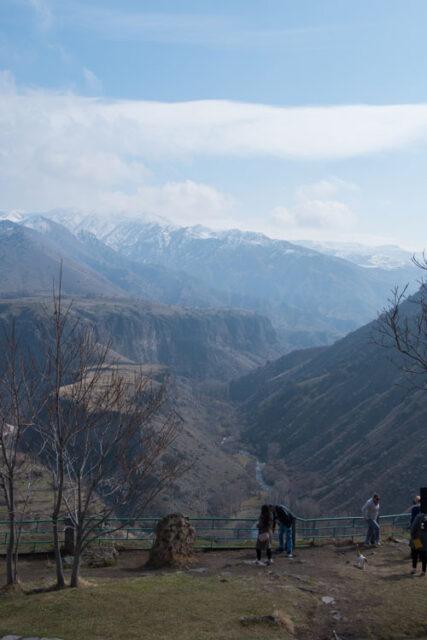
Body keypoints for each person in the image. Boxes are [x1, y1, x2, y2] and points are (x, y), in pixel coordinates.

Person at [410, 509, 427, 576]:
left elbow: (413, 528)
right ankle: (423, 571)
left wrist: (413, 537)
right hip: (425, 540)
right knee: (424, 555)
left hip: (418, 538)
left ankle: (414, 569)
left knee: (415, 553)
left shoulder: (418, 517)